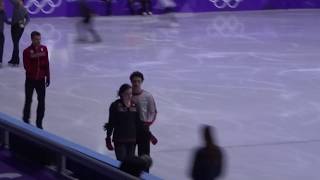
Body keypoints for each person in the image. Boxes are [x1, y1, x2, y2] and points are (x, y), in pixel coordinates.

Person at [104, 84, 140, 161]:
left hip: (132, 140)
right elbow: (111, 122)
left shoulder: (135, 105)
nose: (129, 96)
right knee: (122, 163)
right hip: (120, 140)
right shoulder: (115, 105)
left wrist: (146, 135)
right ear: (121, 94)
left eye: (131, 93)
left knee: (130, 164)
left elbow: (138, 123)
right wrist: (108, 138)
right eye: (127, 93)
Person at [130, 71, 157, 170]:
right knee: (130, 155)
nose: (136, 83)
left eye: (138, 81)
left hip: (143, 130)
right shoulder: (127, 95)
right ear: (131, 82)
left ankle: (145, 175)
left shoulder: (148, 96)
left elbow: (153, 112)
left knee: (144, 156)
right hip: (130, 130)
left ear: (141, 82)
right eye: (134, 81)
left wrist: (146, 124)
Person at [22, 31, 50, 129]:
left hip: (41, 81)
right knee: (28, 100)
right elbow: (27, 67)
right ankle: (25, 120)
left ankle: (39, 123)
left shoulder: (44, 49)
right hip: (30, 80)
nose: (38, 41)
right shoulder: (26, 51)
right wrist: (36, 57)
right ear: (32, 39)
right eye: (36, 39)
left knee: (41, 101)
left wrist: (48, 76)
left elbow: (47, 64)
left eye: (39, 39)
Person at [8, 0, 29, 66]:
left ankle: (16, 60)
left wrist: (23, 24)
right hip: (20, 26)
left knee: (15, 43)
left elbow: (11, 1)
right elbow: (28, 19)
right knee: (15, 43)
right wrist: (24, 24)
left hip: (15, 26)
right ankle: (14, 59)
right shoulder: (23, 8)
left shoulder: (17, 4)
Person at [0, 0, 11, 67]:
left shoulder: (3, 12)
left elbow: (6, 21)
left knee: (1, 48)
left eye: (3, 5)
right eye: (1, 5)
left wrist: (14, 22)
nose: (3, 6)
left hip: (1, 33)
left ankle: (0, 61)